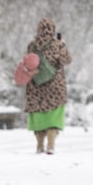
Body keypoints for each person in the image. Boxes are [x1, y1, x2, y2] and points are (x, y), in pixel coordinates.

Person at [24, 18, 72, 155]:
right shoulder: (57, 45)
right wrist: (63, 44)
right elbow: (67, 60)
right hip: (54, 87)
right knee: (53, 117)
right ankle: (51, 145)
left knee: (39, 115)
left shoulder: (32, 46)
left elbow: (27, 63)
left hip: (36, 87)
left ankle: (39, 145)